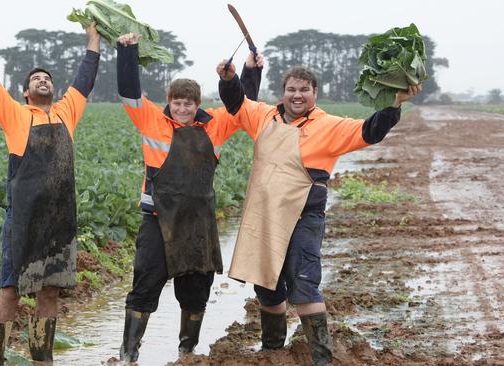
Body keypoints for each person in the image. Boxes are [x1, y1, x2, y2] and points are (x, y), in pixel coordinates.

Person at [217, 60, 421, 365]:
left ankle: (321, 358)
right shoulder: (263, 116)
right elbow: (236, 102)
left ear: (315, 93)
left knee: (302, 283)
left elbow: (370, 131)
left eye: (304, 90)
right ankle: (272, 352)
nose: (297, 95)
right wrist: (230, 78)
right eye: (291, 89)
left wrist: (394, 105)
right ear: (283, 92)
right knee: (266, 285)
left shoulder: (328, 125)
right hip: (263, 215)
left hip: (304, 216)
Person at [0, 12, 100, 365]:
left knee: (49, 291)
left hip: (59, 223)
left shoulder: (66, 113)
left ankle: (43, 359)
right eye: (35, 79)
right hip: (23, 219)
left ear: (53, 90)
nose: (43, 81)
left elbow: (84, 79)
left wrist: (93, 40)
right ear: (25, 92)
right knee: (10, 290)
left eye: (47, 79)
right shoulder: (15, 115)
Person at [115, 33, 262, 362]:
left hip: (198, 225)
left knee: (196, 294)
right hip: (157, 223)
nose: (182, 108)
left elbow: (243, 105)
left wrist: (250, 72)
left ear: (197, 104)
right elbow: (128, 92)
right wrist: (127, 51)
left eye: (189, 103)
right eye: (177, 102)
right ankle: (128, 354)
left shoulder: (215, 125)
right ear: (169, 101)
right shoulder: (152, 120)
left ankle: (187, 352)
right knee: (144, 286)